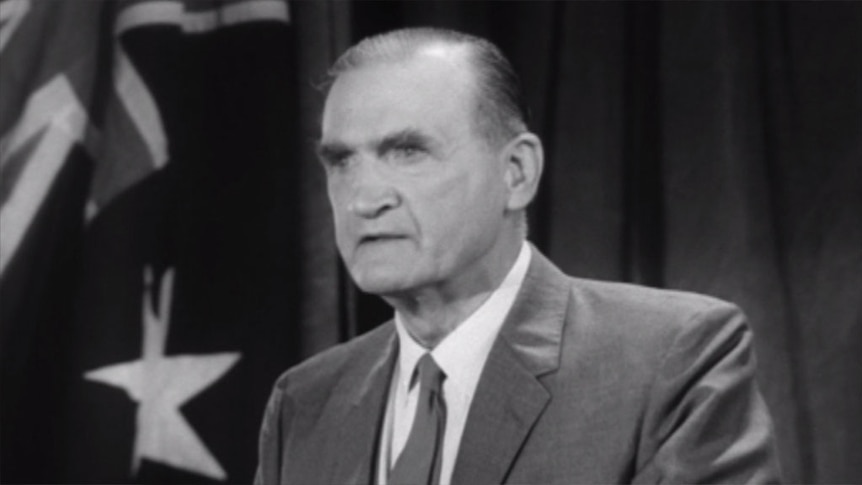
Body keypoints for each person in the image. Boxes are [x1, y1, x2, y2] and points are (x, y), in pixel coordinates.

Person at [255, 27, 781, 484]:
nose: (363, 199)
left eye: (408, 151)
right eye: (341, 161)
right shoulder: (304, 403)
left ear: (517, 172)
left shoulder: (672, 359)